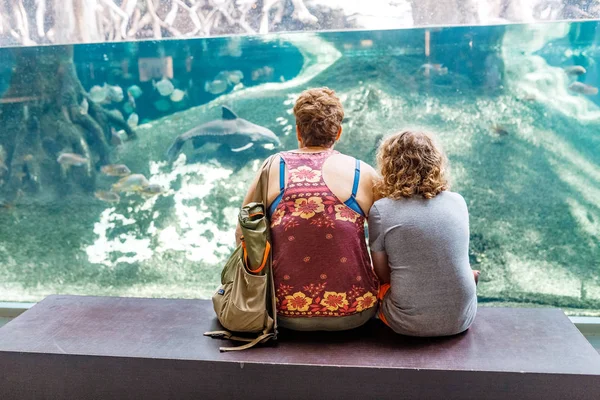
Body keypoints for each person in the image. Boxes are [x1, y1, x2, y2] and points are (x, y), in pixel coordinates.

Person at [237, 87, 380, 331]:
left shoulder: (273, 168)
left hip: (281, 312)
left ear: (298, 131)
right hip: (356, 312)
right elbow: (387, 241)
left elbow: (243, 233)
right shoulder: (362, 173)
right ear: (339, 132)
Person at [369, 130, 478, 337]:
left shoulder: (381, 210)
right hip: (462, 319)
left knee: (374, 285)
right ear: (436, 163)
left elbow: (382, 274)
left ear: (389, 166)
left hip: (405, 324)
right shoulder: (458, 201)